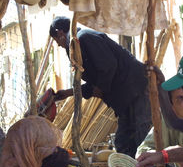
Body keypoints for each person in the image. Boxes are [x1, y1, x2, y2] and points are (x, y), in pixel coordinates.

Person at [50, 16, 152, 158]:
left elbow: (108, 66)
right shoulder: (77, 45)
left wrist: (101, 88)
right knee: (123, 143)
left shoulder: (84, 38)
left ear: (60, 33)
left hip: (136, 91)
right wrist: (68, 93)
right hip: (124, 99)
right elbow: (94, 82)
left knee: (143, 141)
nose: (60, 46)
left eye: (57, 41)